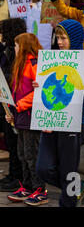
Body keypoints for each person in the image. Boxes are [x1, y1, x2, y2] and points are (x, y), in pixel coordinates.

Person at [34, 19, 84, 207]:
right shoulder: (52, 59)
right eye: (58, 37)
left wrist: (78, 120)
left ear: (73, 39)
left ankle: (69, 199)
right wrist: (39, 86)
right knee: (43, 168)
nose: (59, 42)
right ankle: (77, 188)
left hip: (73, 123)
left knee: (68, 172)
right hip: (51, 120)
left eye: (64, 38)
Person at [5, 33, 47, 206]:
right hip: (21, 116)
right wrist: (11, 110)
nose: (14, 48)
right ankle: (27, 186)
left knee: (32, 154)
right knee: (22, 154)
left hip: (31, 117)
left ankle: (40, 189)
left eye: (16, 45)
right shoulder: (20, 65)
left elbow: (41, 91)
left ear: (23, 46)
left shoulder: (34, 64)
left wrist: (20, 104)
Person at [0, 18, 27, 192]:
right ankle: (12, 174)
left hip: (14, 101)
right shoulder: (8, 50)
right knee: (10, 140)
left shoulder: (15, 52)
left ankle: (17, 177)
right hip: (6, 99)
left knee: (15, 140)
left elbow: (13, 75)